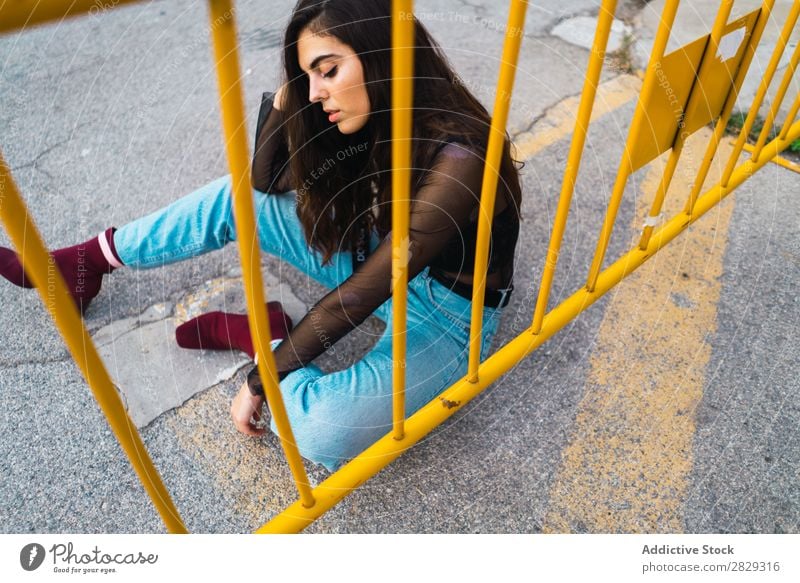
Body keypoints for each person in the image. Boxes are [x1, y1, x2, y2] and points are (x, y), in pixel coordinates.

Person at [0, 0, 522, 471]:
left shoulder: (463, 159)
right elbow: (264, 182)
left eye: (329, 71)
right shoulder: (367, 113)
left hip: (448, 315)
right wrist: (290, 95)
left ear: (382, 54)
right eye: (309, 76)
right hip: (377, 259)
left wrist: (262, 376)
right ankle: (88, 261)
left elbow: (361, 296)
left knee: (323, 430)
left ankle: (265, 337)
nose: (318, 93)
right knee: (239, 199)